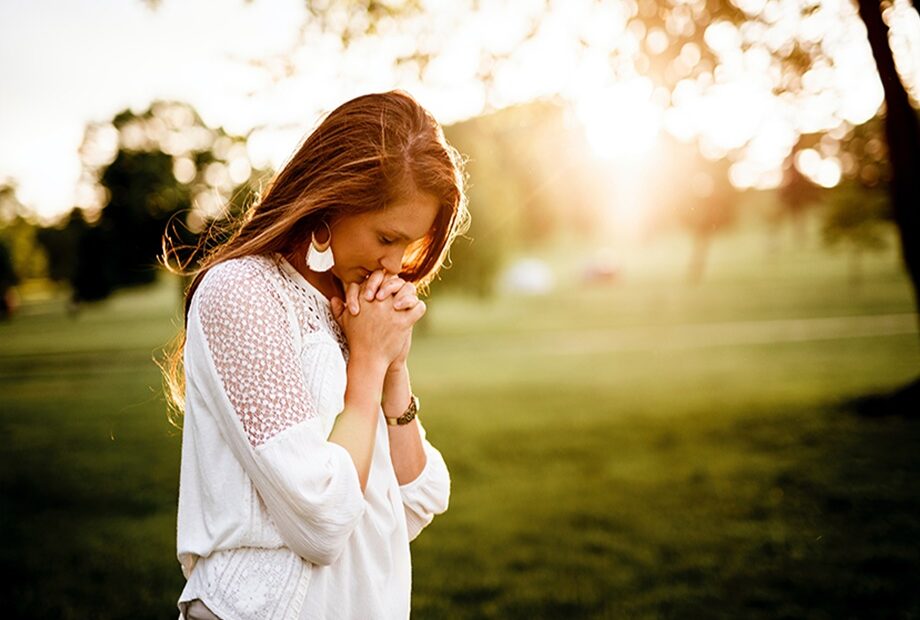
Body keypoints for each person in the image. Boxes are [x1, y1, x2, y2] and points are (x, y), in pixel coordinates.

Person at [159, 89, 470, 619]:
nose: (395, 266)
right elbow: (323, 520)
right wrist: (367, 364)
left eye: (409, 246)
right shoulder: (243, 293)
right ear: (332, 202)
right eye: (386, 237)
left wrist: (393, 368)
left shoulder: (350, 308)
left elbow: (414, 499)